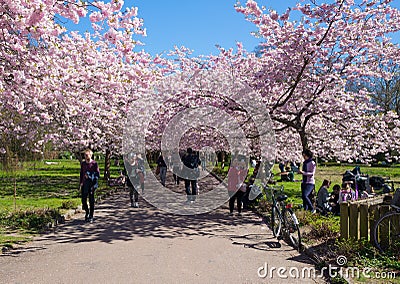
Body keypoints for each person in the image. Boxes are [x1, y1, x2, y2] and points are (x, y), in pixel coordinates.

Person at [79, 149, 100, 223]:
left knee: (91, 200)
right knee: (83, 200)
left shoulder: (94, 164)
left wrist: (90, 176)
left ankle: (91, 215)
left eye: (87, 155)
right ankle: (87, 211)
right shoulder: (83, 164)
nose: (85, 156)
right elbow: (81, 173)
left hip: (92, 184)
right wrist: (81, 182)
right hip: (85, 184)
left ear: (91, 155)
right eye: (85, 155)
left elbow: (97, 175)